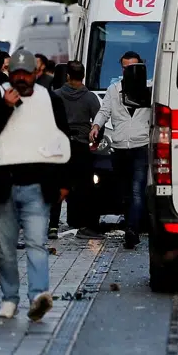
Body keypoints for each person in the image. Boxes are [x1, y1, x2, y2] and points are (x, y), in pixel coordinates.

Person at [0, 47, 72, 321]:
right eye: (15, 73)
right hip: (2, 185)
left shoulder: (51, 101)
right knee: (3, 249)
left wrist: (64, 182)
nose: (21, 78)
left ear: (36, 73)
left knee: (36, 244)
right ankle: (9, 298)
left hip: (37, 186)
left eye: (26, 73)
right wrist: (5, 107)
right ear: (9, 73)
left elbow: (62, 139)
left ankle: (38, 296)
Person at [91, 50, 151, 250]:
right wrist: (97, 126)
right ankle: (131, 224)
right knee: (125, 193)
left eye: (133, 68)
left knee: (136, 190)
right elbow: (104, 111)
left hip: (141, 146)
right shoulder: (113, 89)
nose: (129, 72)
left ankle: (132, 230)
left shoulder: (151, 88)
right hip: (119, 147)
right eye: (125, 68)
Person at [53, 61, 102, 239]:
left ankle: (52, 225)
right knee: (84, 186)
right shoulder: (90, 97)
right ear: (83, 76)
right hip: (81, 146)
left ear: (67, 76)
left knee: (58, 183)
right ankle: (84, 225)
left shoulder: (56, 95)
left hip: (60, 145)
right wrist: (96, 139)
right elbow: (99, 120)